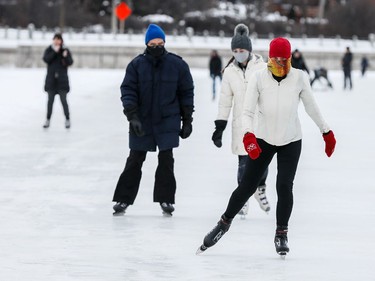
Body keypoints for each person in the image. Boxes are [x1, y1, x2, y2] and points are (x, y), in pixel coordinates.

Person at [197, 37, 336, 257]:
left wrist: (325, 131)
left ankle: (281, 233)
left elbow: (311, 106)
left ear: (290, 58)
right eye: (276, 58)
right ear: (270, 58)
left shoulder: (299, 77)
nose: (281, 62)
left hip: (291, 140)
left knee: (284, 186)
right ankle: (223, 223)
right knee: (247, 185)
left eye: (285, 58)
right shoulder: (258, 77)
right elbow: (247, 112)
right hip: (263, 139)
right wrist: (249, 136)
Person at [112, 24, 194, 217]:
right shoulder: (136, 65)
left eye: (160, 43)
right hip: (142, 120)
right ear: (147, 44)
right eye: (153, 43)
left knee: (166, 159)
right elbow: (128, 91)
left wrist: (187, 120)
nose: (157, 46)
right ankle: (123, 198)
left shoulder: (177, 65)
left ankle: (165, 199)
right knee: (135, 159)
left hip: (168, 119)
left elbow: (186, 93)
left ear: (164, 42)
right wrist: (133, 117)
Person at [211, 23, 270, 218]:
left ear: (249, 50)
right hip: (240, 125)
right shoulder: (229, 72)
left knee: (261, 160)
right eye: (235, 50)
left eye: (242, 50)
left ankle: (260, 188)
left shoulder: (262, 68)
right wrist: (220, 126)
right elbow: (225, 100)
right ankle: (243, 197)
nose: (238, 53)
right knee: (244, 162)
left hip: (260, 122)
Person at [42, 33, 73, 129]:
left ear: (61, 41)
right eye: (55, 39)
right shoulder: (49, 49)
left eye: (58, 39)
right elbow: (46, 59)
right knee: (50, 101)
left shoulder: (65, 50)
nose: (56, 41)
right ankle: (47, 119)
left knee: (64, 101)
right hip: (51, 81)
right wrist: (55, 52)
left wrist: (64, 56)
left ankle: (67, 119)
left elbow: (70, 62)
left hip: (62, 81)